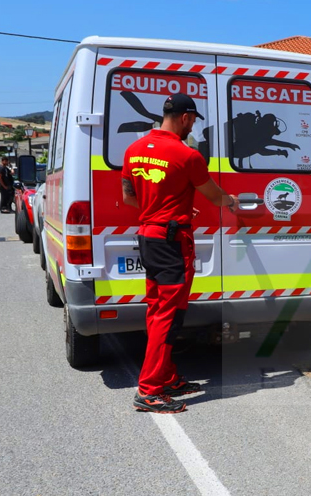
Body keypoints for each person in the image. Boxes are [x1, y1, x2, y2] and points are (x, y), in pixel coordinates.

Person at [121, 93, 236, 414]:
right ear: (186, 118)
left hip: (149, 236)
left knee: (158, 309)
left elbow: (130, 197)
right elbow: (213, 196)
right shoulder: (187, 155)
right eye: (193, 121)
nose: (192, 127)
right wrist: (232, 200)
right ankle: (149, 390)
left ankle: (167, 376)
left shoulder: (134, 149)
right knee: (168, 316)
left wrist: (167, 211)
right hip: (172, 242)